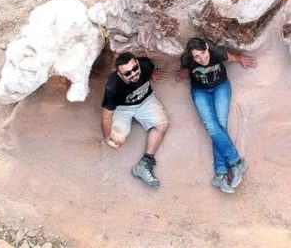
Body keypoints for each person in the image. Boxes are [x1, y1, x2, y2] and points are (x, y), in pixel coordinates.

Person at [175, 37, 257, 194]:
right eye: (197, 57)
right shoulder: (187, 59)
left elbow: (233, 57)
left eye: (203, 53)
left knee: (220, 125)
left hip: (220, 87)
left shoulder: (216, 52)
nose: (202, 58)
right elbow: (186, 68)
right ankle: (235, 163)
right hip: (200, 92)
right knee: (212, 127)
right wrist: (185, 71)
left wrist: (242, 59)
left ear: (206, 47)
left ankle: (220, 173)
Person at [101, 53, 169, 188]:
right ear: (120, 75)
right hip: (123, 108)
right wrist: (107, 138)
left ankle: (144, 164)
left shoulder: (145, 64)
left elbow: (152, 67)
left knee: (162, 125)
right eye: (127, 73)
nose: (133, 74)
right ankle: (115, 137)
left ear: (137, 63)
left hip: (146, 100)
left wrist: (153, 75)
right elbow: (106, 115)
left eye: (135, 68)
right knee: (117, 142)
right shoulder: (113, 87)